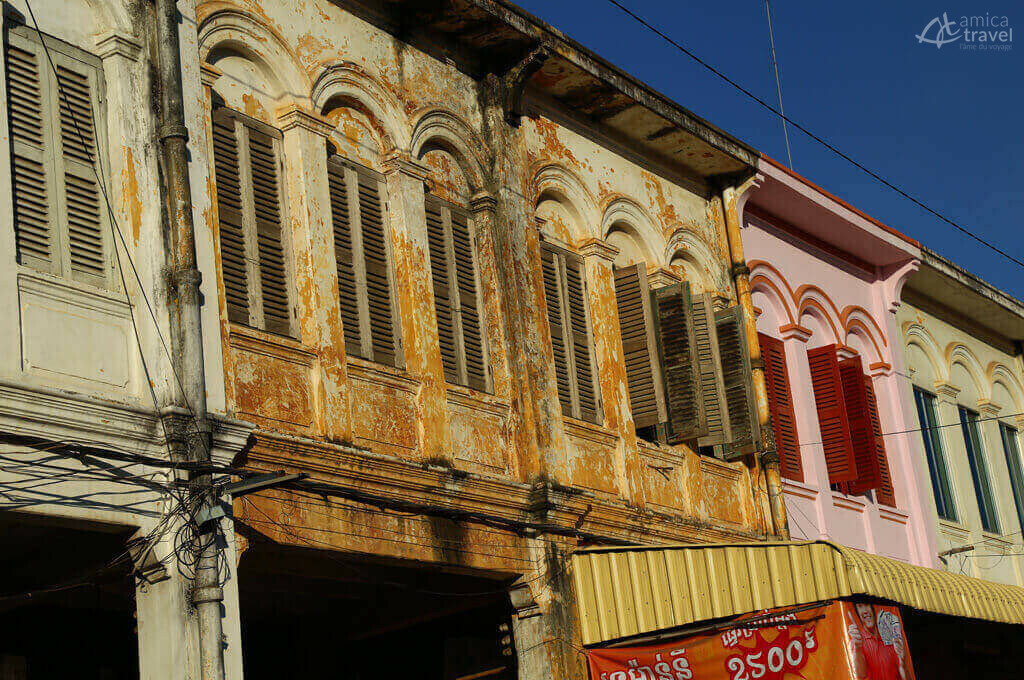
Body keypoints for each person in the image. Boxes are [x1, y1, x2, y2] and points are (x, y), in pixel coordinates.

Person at [846, 603, 908, 680]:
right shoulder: (856, 642)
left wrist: (903, 663)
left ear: (873, 608)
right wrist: (857, 648)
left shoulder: (890, 638)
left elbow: (905, 675)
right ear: (857, 613)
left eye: (866, 604)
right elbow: (861, 675)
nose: (865, 611)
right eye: (860, 606)